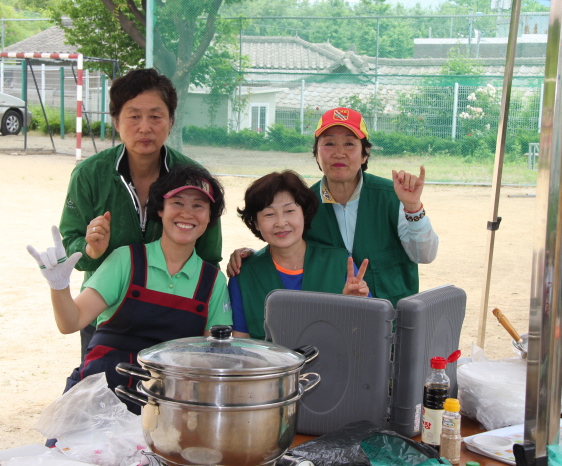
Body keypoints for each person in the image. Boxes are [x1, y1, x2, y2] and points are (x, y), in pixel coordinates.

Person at [28, 165, 238, 415]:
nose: (187, 214)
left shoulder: (212, 282)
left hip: (165, 409)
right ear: (160, 209)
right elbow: (70, 322)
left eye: (198, 206)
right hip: (98, 399)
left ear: (209, 218)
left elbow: (209, 359)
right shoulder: (125, 260)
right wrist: (59, 286)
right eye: (178, 203)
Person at [58, 69, 222, 360]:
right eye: (134, 116)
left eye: (156, 116)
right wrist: (90, 250)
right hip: (104, 312)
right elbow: (69, 241)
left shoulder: (195, 181)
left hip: (175, 319)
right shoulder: (90, 174)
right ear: (116, 122)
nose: (145, 127)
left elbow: (209, 258)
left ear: (171, 122)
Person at [228, 108, 438, 307]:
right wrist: (253, 256)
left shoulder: (392, 196)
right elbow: (290, 247)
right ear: (316, 154)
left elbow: (425, 255)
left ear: (365, 153)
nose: (339, 153)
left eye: (349, 144)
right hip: (334, 323)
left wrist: (413, 207)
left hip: (392, 325)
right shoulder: (305, 203)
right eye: (329, 144)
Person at [229, 170, 369, 339]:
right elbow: (241, 342)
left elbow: (366, 334)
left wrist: (356, 307)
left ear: (304, 213)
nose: (281, 223)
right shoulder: (244, 275)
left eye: (289, 211)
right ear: (256, 223)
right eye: (269, 214)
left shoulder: (339, 264)